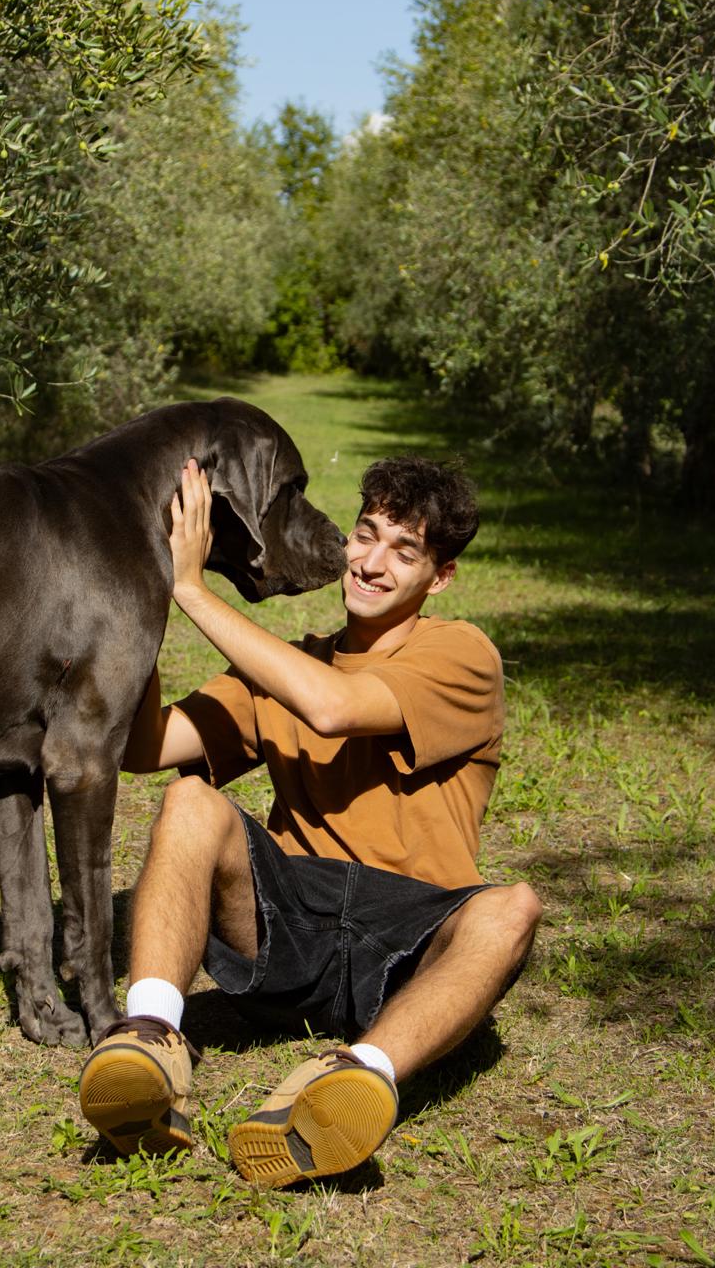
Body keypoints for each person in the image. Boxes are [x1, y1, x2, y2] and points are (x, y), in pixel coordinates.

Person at [78, 453, 542, 1188]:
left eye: (404, 550)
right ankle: (151, 1038)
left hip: (408, 939)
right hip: (290, 926)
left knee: (513, 907)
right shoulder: (288, 667)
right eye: (366, 535)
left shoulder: (461, 655)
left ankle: (358, 1074)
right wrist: (154, 596)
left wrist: (195, 589)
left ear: (440, 576)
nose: (371, 563)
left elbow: (334, 707)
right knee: (190, 800)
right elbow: (146, 747)